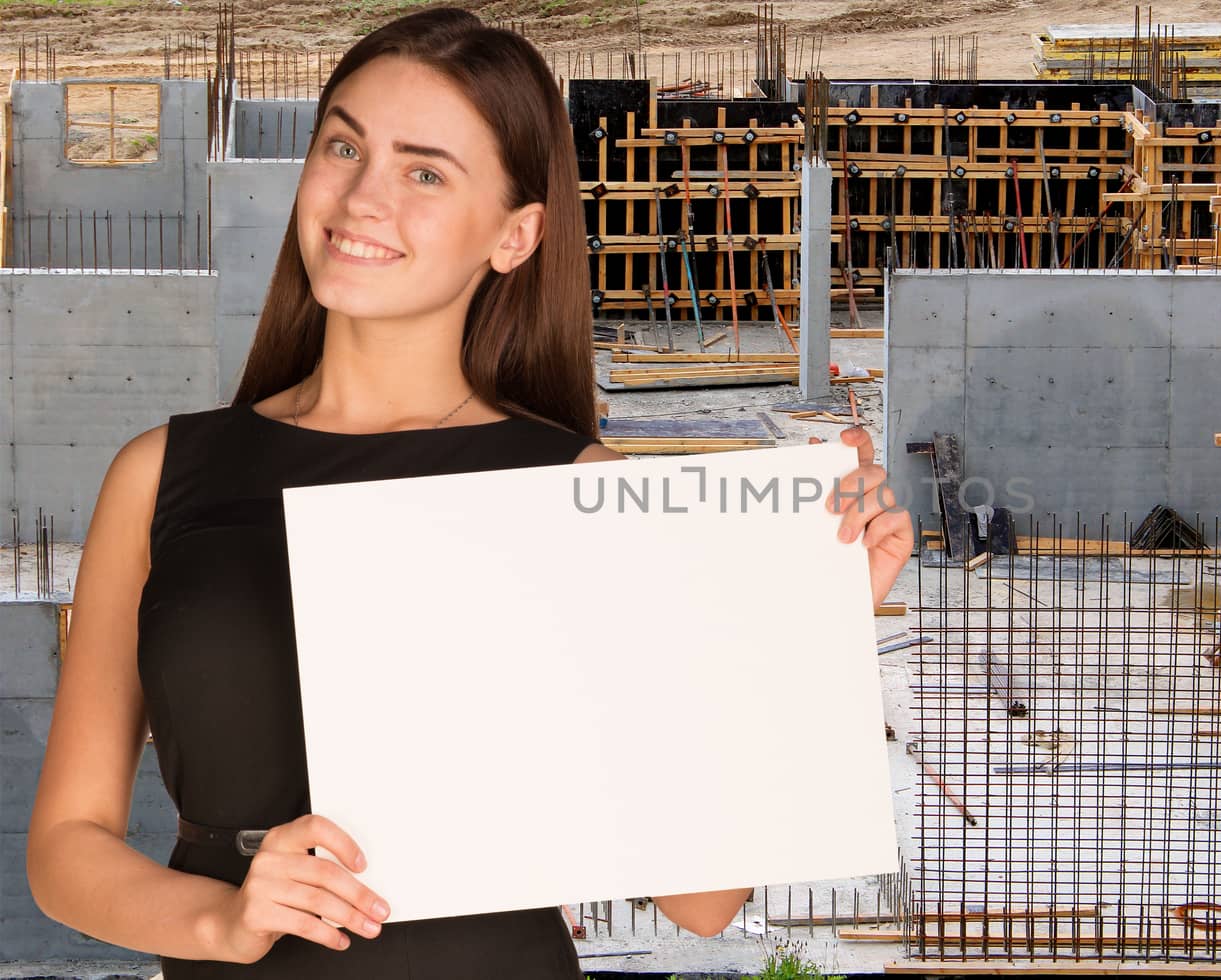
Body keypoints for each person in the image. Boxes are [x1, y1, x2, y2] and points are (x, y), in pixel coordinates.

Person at [25, 9, 914, 978]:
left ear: (516, 234)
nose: (364, 195)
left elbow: (699, 899)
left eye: (425, 171)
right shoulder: (161, 474)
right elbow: (68, 844)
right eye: (343, 145)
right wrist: (223, 921)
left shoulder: (578, 494)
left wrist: (809, 634)